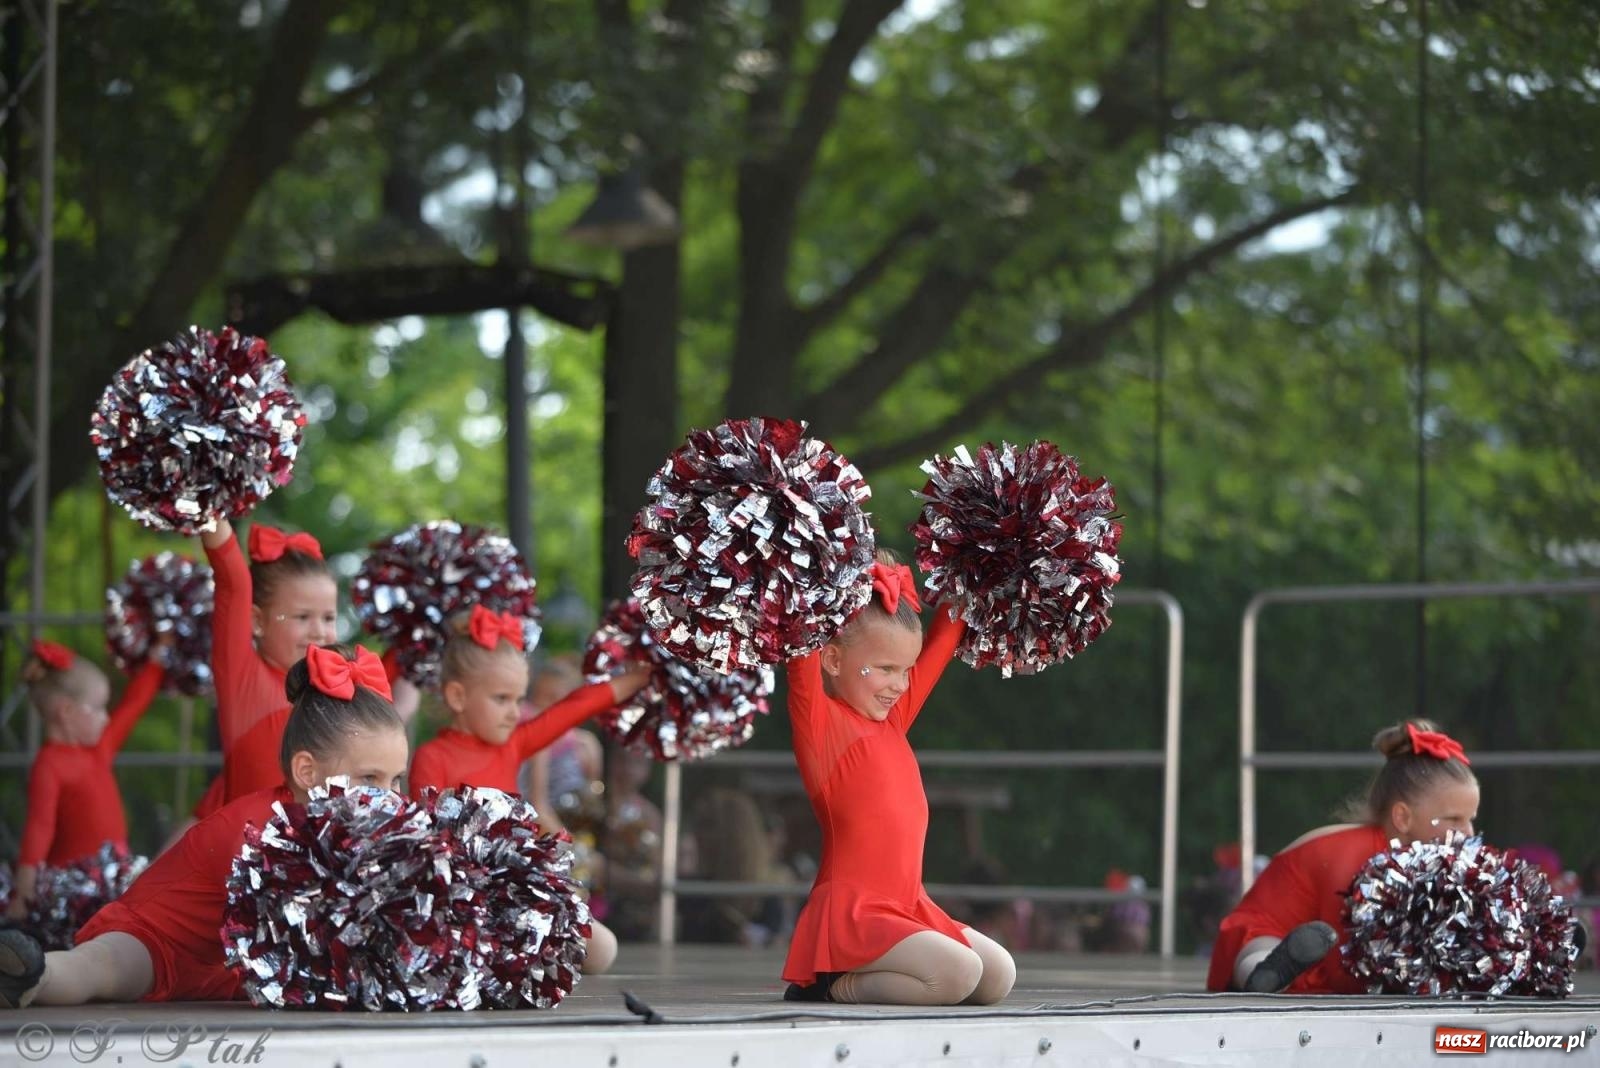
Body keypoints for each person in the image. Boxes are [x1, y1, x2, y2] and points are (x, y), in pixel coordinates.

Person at [0, 644, 405, 1008]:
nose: (389, 797)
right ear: (306, 772)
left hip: (227, 972)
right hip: (159, 942)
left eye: (397, 780)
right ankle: (32, 975)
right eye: (370, 778)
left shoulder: (352, 836)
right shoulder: (260, 828)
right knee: (104, 967)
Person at [782, 552, 1016, 1006]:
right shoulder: (822, 726)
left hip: (909, 904)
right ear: (832, 659)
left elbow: (944, 640)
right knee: (960, 973)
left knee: (998, 975)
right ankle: (832, 985)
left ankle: (871, 973)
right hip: (854, 911)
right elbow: (800, 635)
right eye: (886, 669)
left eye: (906, 670)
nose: (900, 685)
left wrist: (978, 560)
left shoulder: (892, 720)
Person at [406, 605, 649, 972]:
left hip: (517, 888)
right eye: (501, 699)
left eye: (519, 700)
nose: (514, 712)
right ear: (457, 696)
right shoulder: (431, 756)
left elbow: (572, 709)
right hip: (460, 897)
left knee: (603, 949)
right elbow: (428, 839)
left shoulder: (514, 744)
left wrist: (633, 681)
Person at [1207, 719, 1481, 993]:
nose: (1468, 832)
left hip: (1323, 957)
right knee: (1257, 947)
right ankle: (1264, 976)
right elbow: (1345, 954)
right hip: (1275, 933)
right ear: (1403, 818)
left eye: (1470, 819)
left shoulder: (1425, 862)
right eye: (1454, 819)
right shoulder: (1356, 858)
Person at [189, 519, 338, 822]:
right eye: (302, 617)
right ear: (257, 621)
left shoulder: (337, 690)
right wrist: (208, 502)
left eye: (328, 618)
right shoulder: (243, 679)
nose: (319, 632)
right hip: (246, 851)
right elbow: (233, 582)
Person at [6, 641, 164, 920]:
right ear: (67, 711)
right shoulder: (49, 765)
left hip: (112, 882)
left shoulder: (98, 750)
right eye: (98, 708)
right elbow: (39, 830)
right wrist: (24, 892)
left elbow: (132, 706)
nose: (106, 718)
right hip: (73, 893)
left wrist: (157, 660)